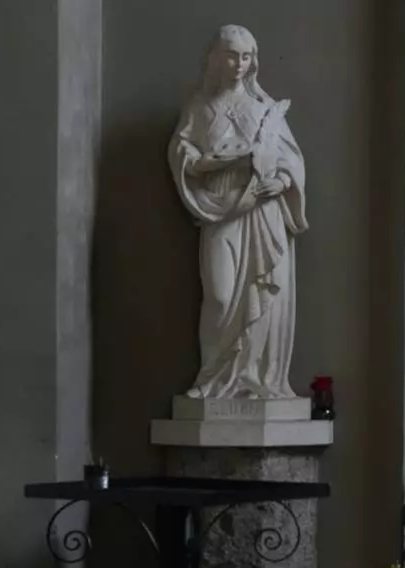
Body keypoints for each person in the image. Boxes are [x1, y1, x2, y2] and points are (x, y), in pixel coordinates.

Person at [168, 24, 307, 399]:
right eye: (231, 55)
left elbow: (290, 160)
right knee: (220, 295)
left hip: (263, 211)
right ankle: (213, 379)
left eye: (246, 57)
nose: (239, 64)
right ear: (215, 57)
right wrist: (203, 163)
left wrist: (281, 182)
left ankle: (256, 379)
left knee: (264, 296)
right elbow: (183, 154)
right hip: (221, 210)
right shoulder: (201, 107)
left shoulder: (265, 110)